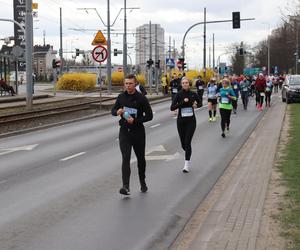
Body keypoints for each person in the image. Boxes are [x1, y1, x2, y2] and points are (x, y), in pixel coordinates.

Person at [111, 74, 153, 195]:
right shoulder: (121, 97)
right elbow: (113, 110)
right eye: (126, 83)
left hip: (138, 132)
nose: (128, 86)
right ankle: (126, 186)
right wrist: (116, 111)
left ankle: (142, 181)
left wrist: (135, 120)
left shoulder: (141, 99)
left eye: (130, 83)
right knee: (125, 158)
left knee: (141, 159)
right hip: (124, 131)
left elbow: (149, 116)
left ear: (135, 84)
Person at [171, 77, 201, 173]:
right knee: (183, 145)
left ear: (189, 84)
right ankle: (188, 152)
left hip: (191, 121)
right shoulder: (178, 95)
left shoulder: (193, 94)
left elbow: (200, 103)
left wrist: (196, 105)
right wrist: (183, 102)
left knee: (187, 142)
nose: (185, 84)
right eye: (183, 83)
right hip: (181, 121)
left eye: (186, 82)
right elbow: (172, 107)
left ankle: (186, 164)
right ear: (181, 84)